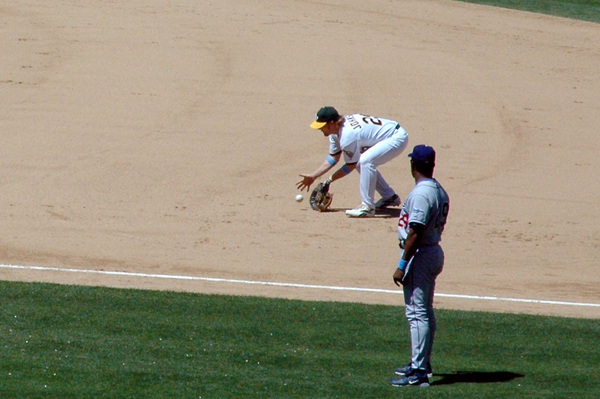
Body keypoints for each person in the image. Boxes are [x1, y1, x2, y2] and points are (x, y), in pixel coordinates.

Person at [391, 144, 450, 388]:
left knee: (416, 313)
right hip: (432, 251)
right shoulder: (438, 190)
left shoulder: (422, 194)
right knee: (424, 311)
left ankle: (419, 371)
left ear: (413, 164)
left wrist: (402, 264)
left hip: (421, 254)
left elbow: (415, 231)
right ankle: (421, 363)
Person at [296, 106, 409, 217]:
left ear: (331, 124)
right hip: (386, 133)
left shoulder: (348, 136)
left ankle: (367, 207)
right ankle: (389, 197)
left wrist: (329, 180)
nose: (319, 129)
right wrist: (314, 176)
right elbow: (333, 158)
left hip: (396, 137)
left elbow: (350, 166)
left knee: (365, 161)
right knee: (361, 162)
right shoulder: (335, 132)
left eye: (322, 126)